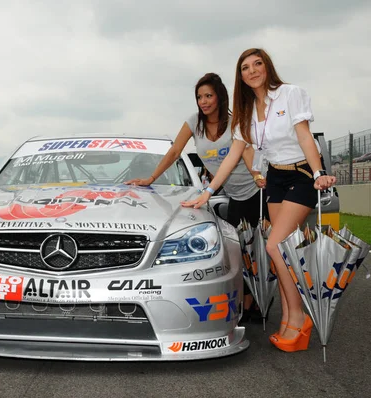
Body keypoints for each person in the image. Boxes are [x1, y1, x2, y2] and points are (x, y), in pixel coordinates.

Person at [182, 49, 336, 352]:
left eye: (257, 64)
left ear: (267, 67)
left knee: (273, 245)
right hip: (274, 179)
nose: (252, 71)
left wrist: (319, 172)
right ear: (240, 77)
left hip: (302, 174)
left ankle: (300, 318)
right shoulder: (245, 111)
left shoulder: (291, 94)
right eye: (245, 68)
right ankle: (290, 318)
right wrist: (208, 191)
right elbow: (234, 155)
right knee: (284, 252)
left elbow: (304, 136)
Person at [125, 72, 265, 320]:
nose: (203, 101)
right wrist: (150, 178)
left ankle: (255, 301)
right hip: (233, 195)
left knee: (258, 249)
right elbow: (175, 151)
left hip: (255, 192)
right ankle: (247, 300)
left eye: (209, 95)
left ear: (220, 97)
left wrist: (257, 174)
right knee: (238, 250)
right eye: (199, 97)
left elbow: (246, 154)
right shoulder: (194, 122)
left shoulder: (235, 123)